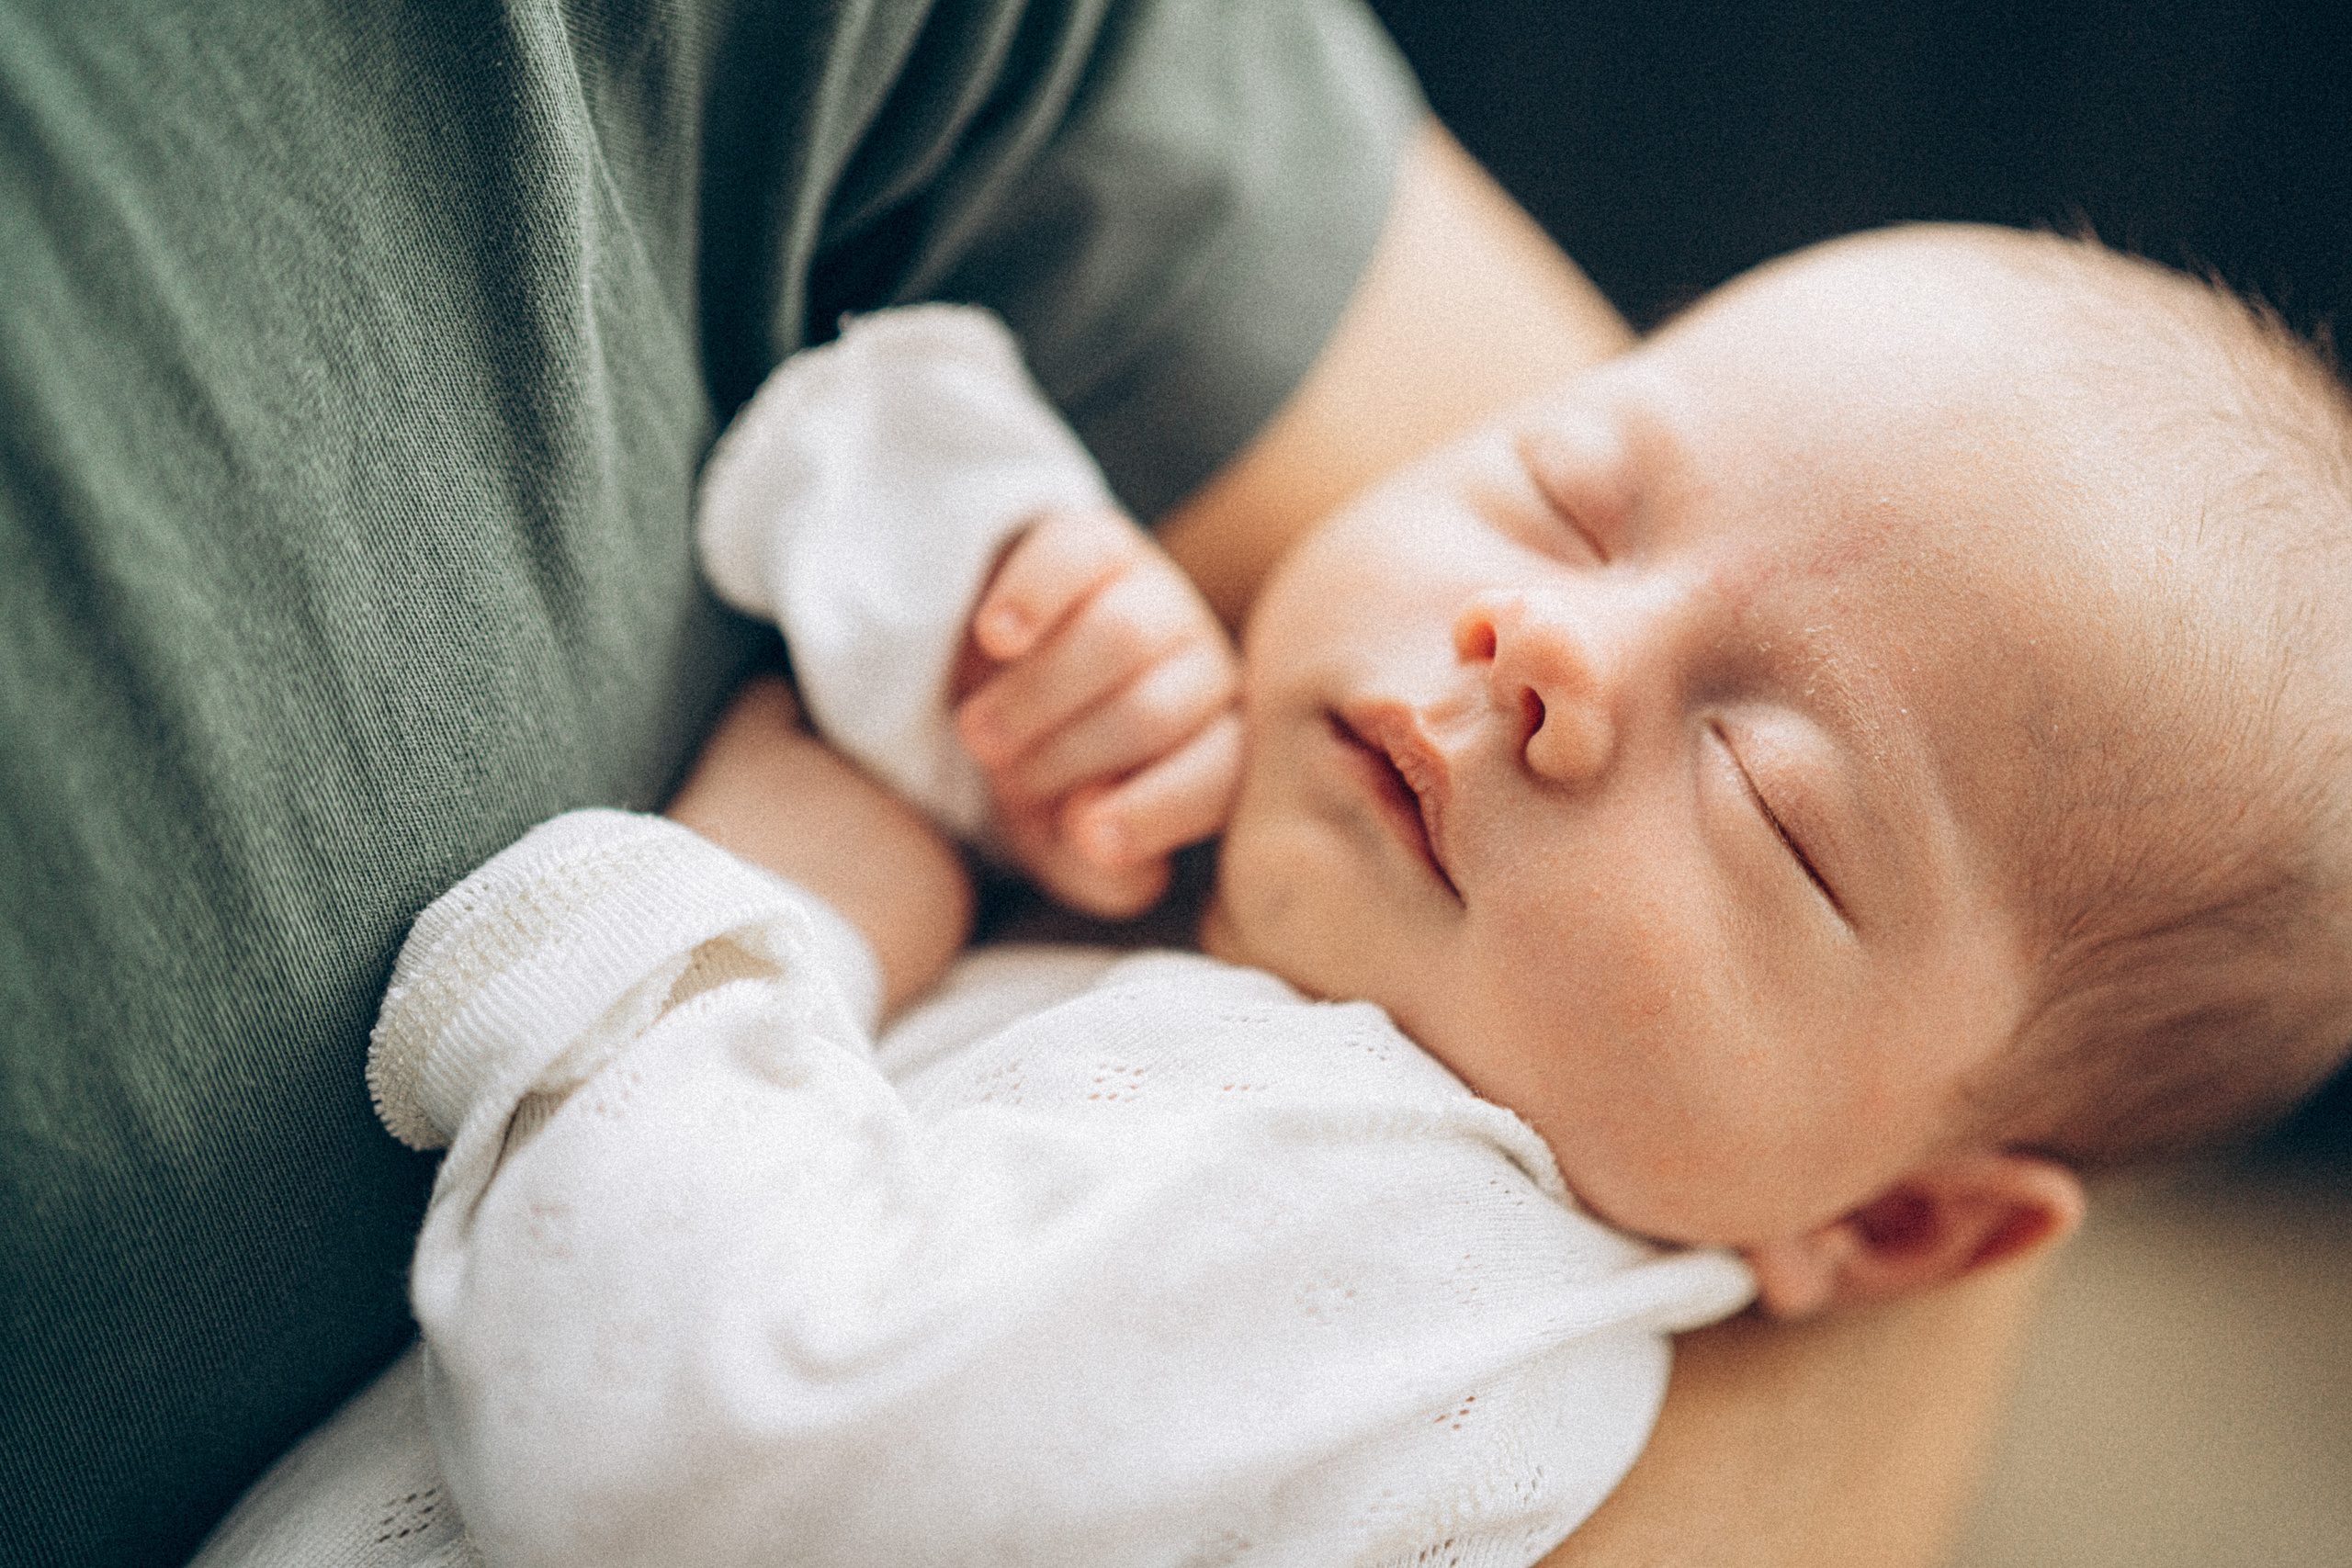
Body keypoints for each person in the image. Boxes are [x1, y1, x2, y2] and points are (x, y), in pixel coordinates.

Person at [194, 221, 2352, 1565]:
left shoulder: (1397, 1225)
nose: (1548, 649)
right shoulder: (1323, 1012)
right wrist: (1012, 659)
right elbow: (833, 451)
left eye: (1769, 799)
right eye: (1562, 494)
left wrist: (741, 922)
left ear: (1887, 1224)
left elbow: (690, 1470)